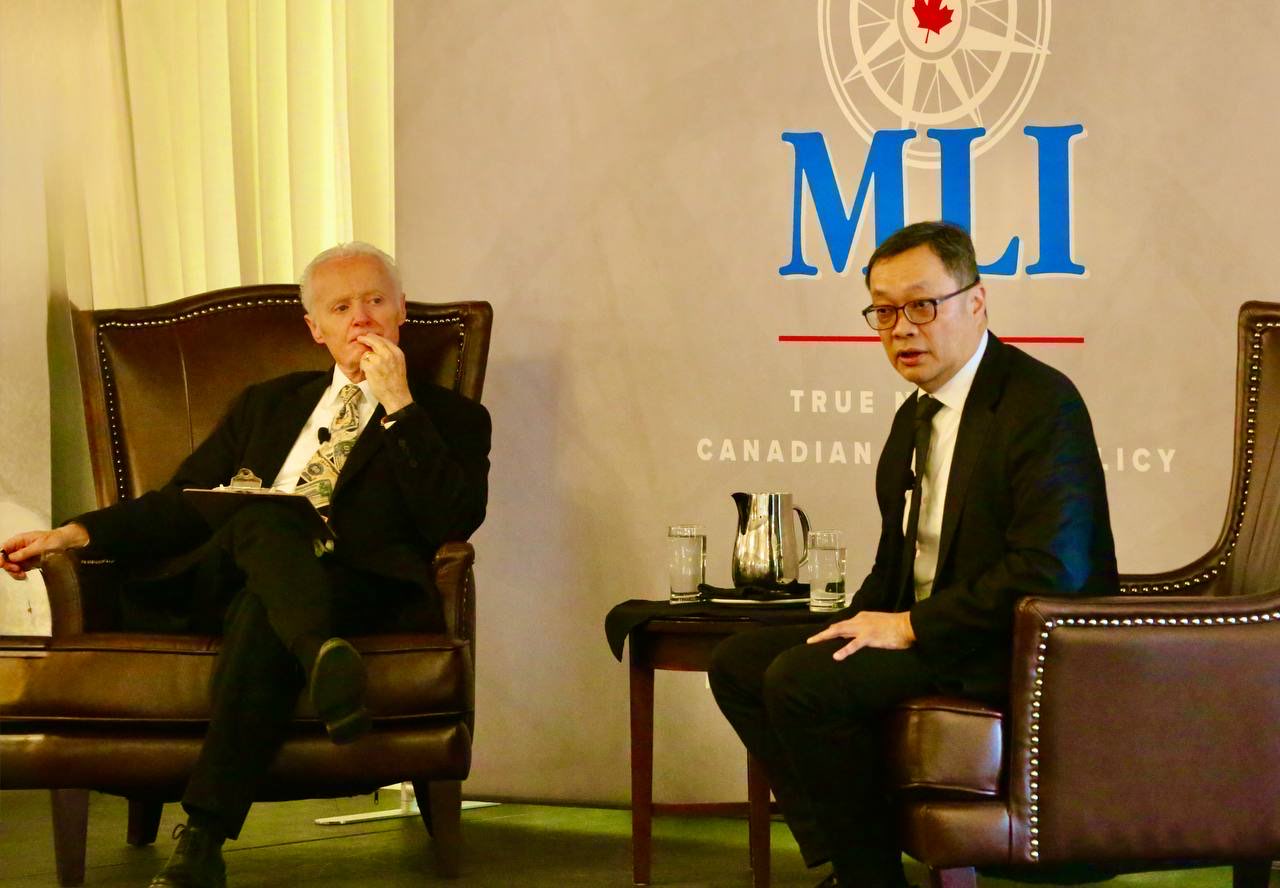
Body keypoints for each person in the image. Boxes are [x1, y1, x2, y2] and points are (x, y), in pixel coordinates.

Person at [0, 242, 491, 888]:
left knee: (265, 609)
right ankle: (320, 654)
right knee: (260, 512)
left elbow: (452, 519)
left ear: (401, 311)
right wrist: (72, 532)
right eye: (341, 307)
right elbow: (181, 505)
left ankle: (201, 838)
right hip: (229, 568)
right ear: (315, 329)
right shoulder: (267, 404)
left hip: (354, 588)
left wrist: (399, 407)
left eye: (375, 300)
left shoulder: (451, 418)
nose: (361, 319)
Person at [708, 221, 1117, 888]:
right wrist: (855, 623)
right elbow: (894, 568)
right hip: (926, 632)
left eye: (923, 305)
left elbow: (1052, 569)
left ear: (976, 303)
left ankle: (867, 875)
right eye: (885, 311)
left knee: (803, 683)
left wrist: (906, 626)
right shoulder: (915, 418)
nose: (902, 328)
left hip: (1002, 645)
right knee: (739, 661)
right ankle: (854, 856)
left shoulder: (1039, 404)